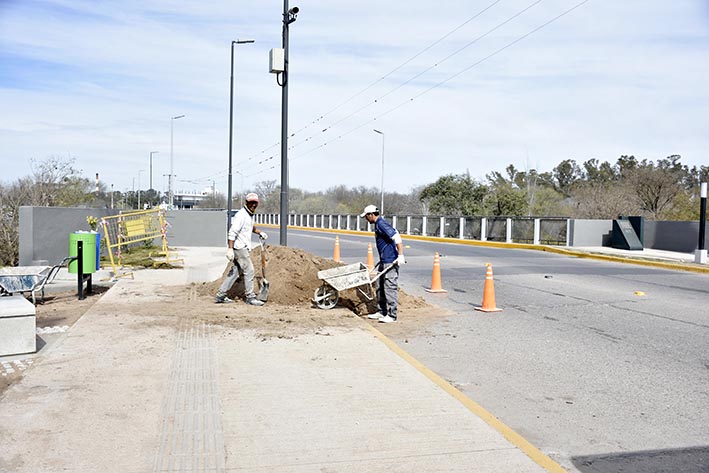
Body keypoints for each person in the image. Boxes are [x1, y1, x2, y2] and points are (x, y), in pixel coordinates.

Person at [215, 192, 268, 306]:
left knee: (235, 273)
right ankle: (250, 297)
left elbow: (250, 227)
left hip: (242, 247)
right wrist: (230, 249)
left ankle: (221, 295)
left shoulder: (249, 215)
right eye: (251, 202)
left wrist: (259, 232)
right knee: (249, 270)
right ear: (246, 202)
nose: (254, 205)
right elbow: (232, 232)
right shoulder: (241, 215)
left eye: (255, 203)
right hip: (240, 248)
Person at [360, 205, 406, 323]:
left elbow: (397, 236)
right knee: (380, 286)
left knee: (389, 287)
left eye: (366, 216)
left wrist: (400, 255)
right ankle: (381, 311)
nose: (366, 219)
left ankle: (392, 315)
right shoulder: (377, 224)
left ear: (371, 215)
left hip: (391, 260)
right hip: (384, 260)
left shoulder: (381, 223)